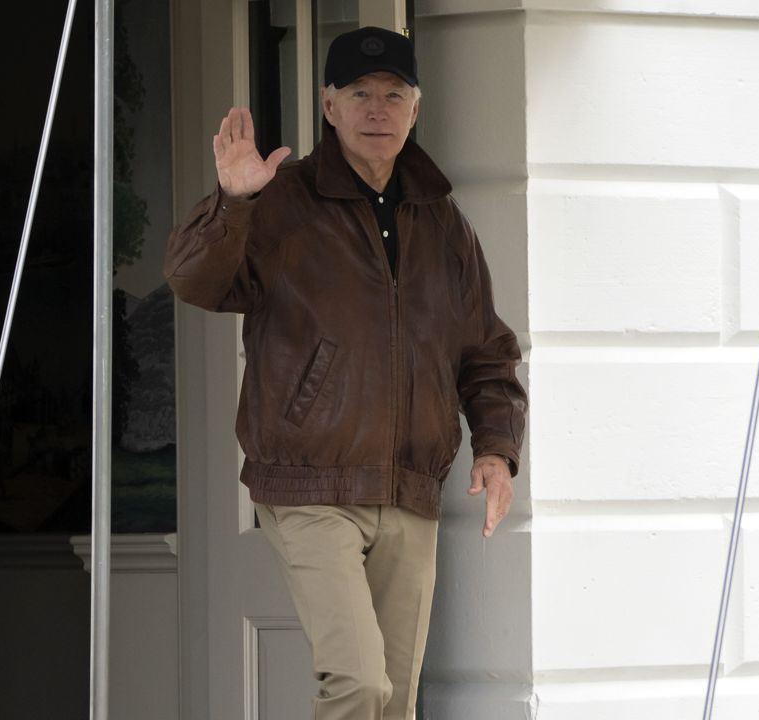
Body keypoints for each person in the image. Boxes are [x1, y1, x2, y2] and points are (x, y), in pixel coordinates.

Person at [164, 25, 527, 720]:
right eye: (360, 94)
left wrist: (496, 447)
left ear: (415, 108)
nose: (377, 110)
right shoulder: (280, 202)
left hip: (410, 487)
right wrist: (233, 203)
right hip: (310, 484)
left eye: (394, 95)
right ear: (328, 106)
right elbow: (196, 282)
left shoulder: (443, 222)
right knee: (359, 685)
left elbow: (486, 350)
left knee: (393, 703)